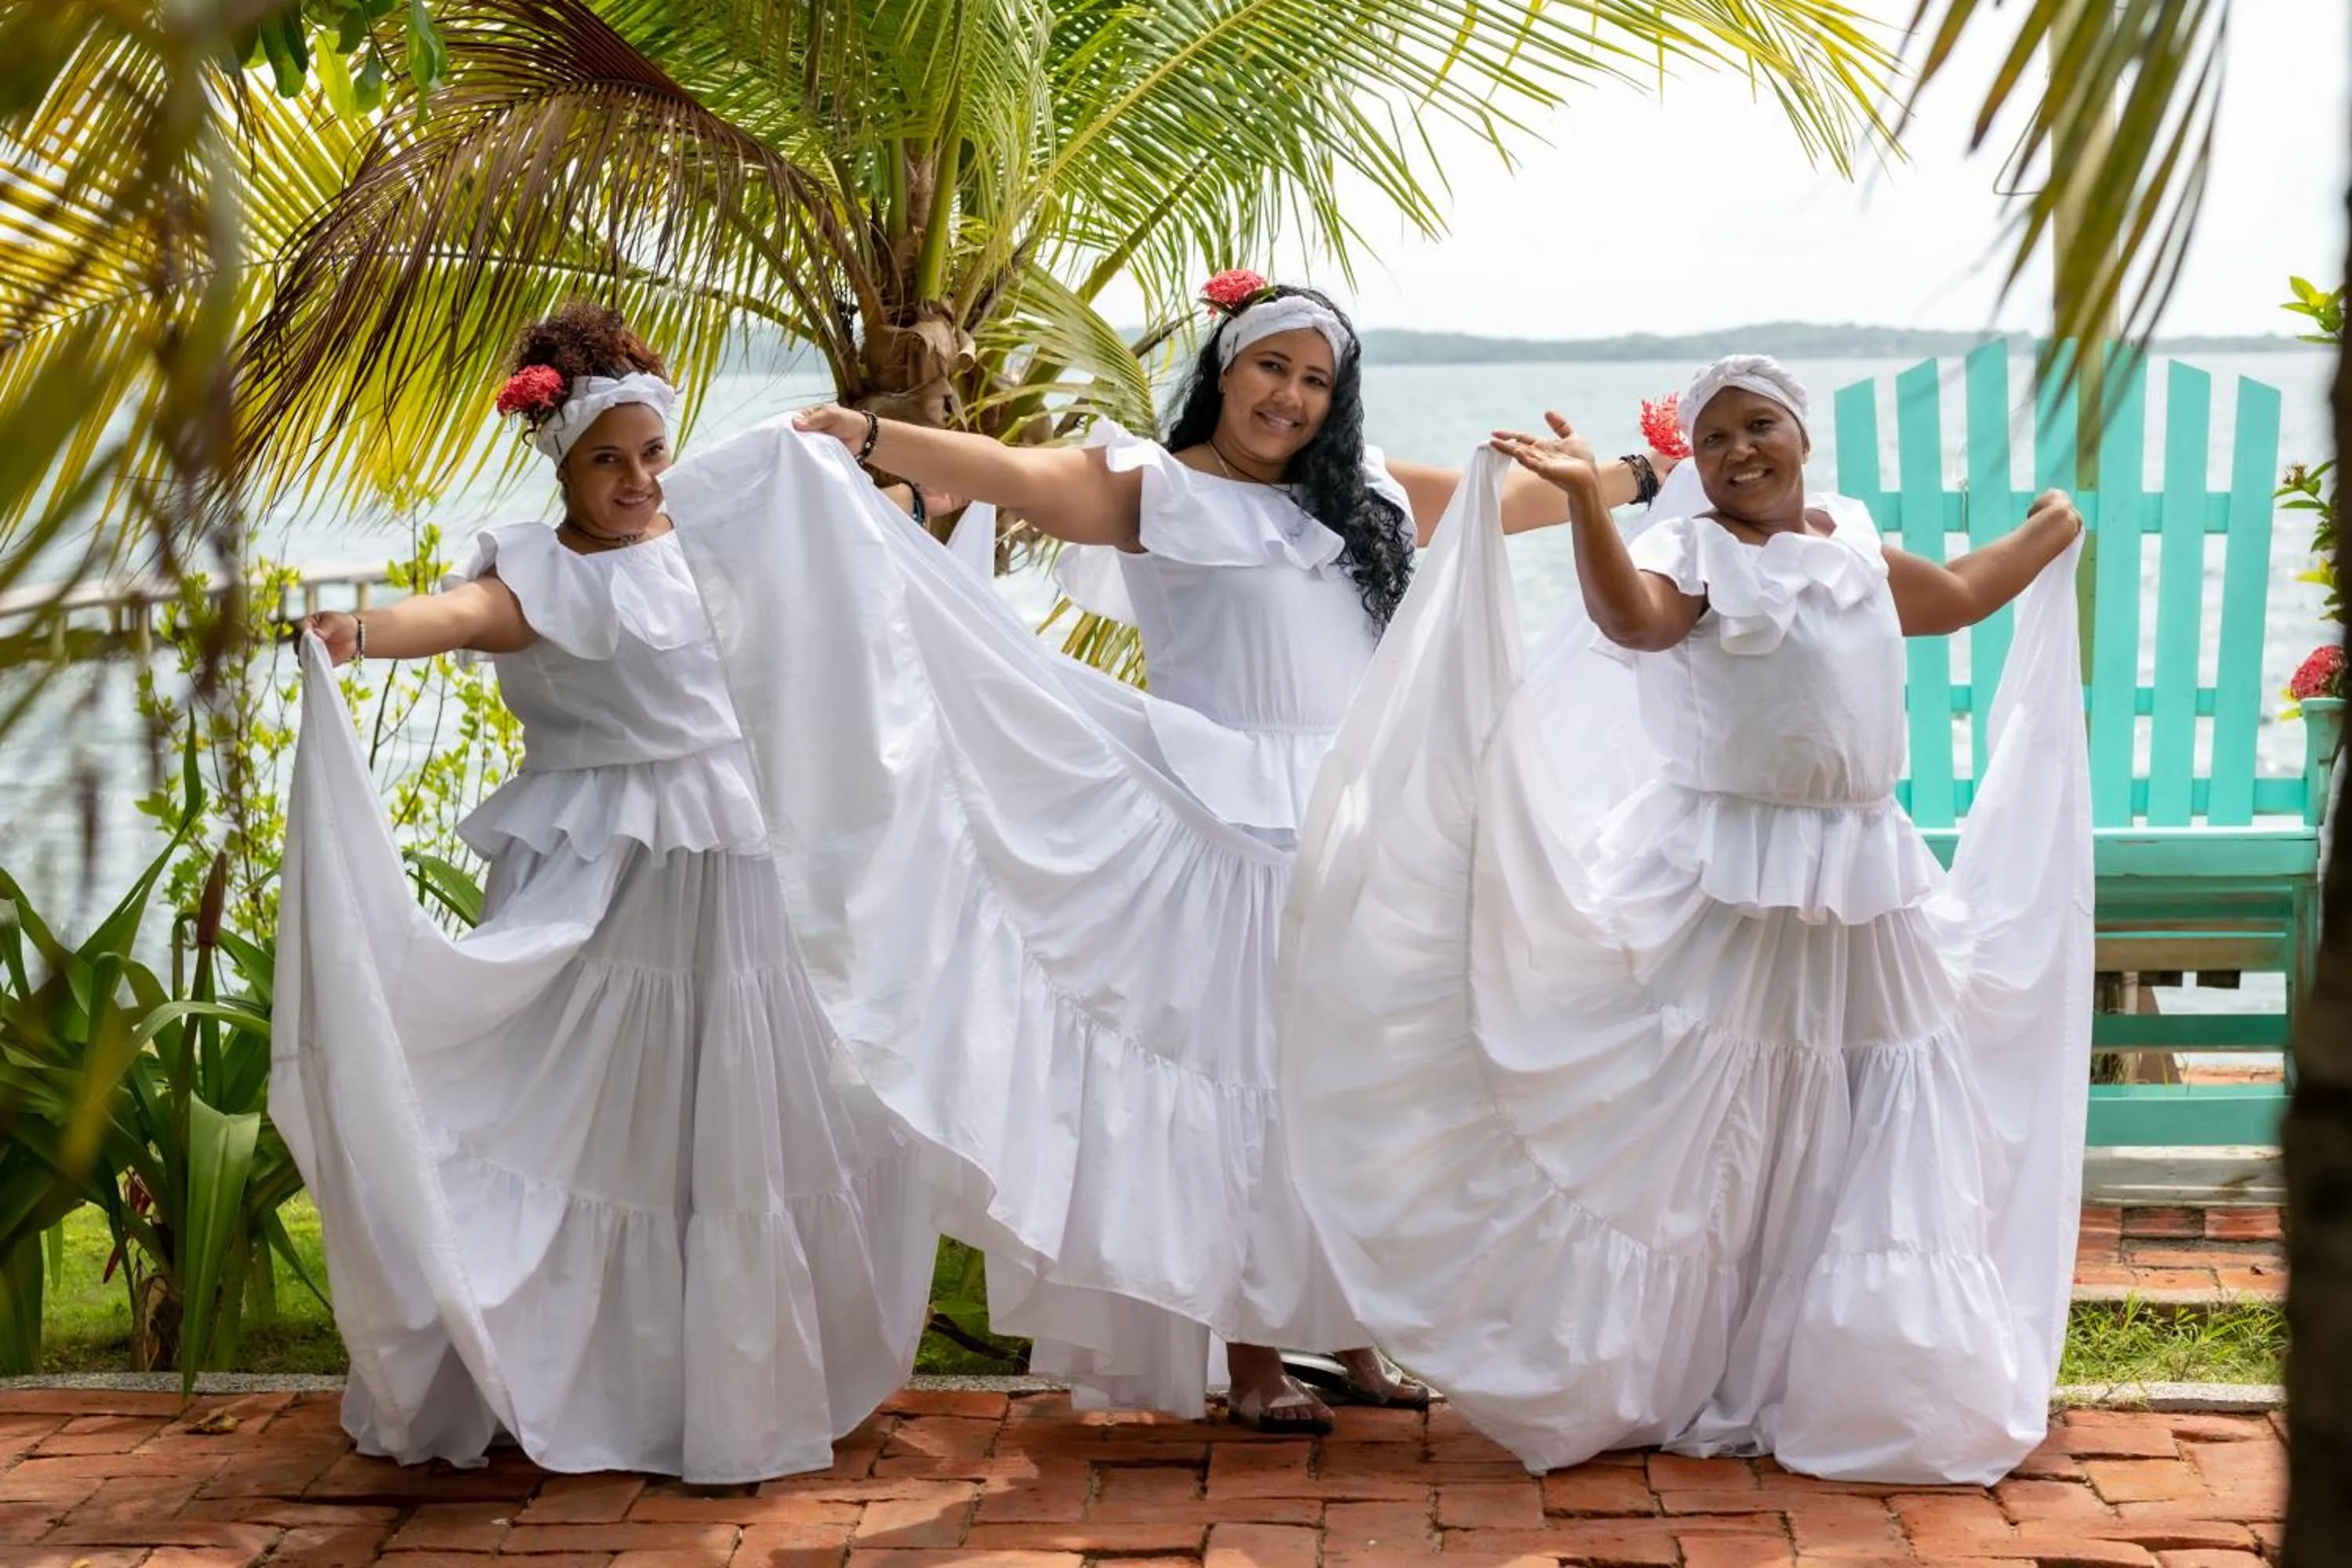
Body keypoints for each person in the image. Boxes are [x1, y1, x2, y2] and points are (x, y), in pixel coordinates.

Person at [785, 277, 1675, 1433]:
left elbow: (1509, 505)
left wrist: (1648, 477)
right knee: (1250, 1087)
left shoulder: (1361, 497)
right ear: (1223, 369)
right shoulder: (1159, 488)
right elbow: (1015, 476)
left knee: (1351, 1084)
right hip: (1224, 823)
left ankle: (1353, 1337)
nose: (1291, 397)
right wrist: (864, 432)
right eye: (1271, 368)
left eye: (1316, 380)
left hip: (1357, 827)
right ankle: (1251, 1357)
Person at [1275, 354, 2094, 1483]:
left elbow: (1951, 598)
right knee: (1717, 1116)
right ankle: (1674, 1360)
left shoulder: (1849, 545)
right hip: (1732, 873)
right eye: (1713, 441)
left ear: (1802, 438)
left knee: (1867, 1101)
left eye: (1759, 428)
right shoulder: (1692, 554)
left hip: (1862, 874)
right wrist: (1581, 507)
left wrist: (2051, 528)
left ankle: (1849, 1359)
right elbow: (1635, 624)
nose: (1738, 453)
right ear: (1694, 467)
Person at [273, 302, 935, 1483]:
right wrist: (362, 632)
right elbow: (458, 615)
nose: (635, 481)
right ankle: (571, 1366)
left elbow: (861, 545)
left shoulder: (714, 539)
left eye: (650, 455)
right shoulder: (537, 576)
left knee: (738, 1124)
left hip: (733, 871)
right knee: (589, 1126)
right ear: (561, 463)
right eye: (605, 461)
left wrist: (913, 490)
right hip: (602, 883)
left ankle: (727, 1383)